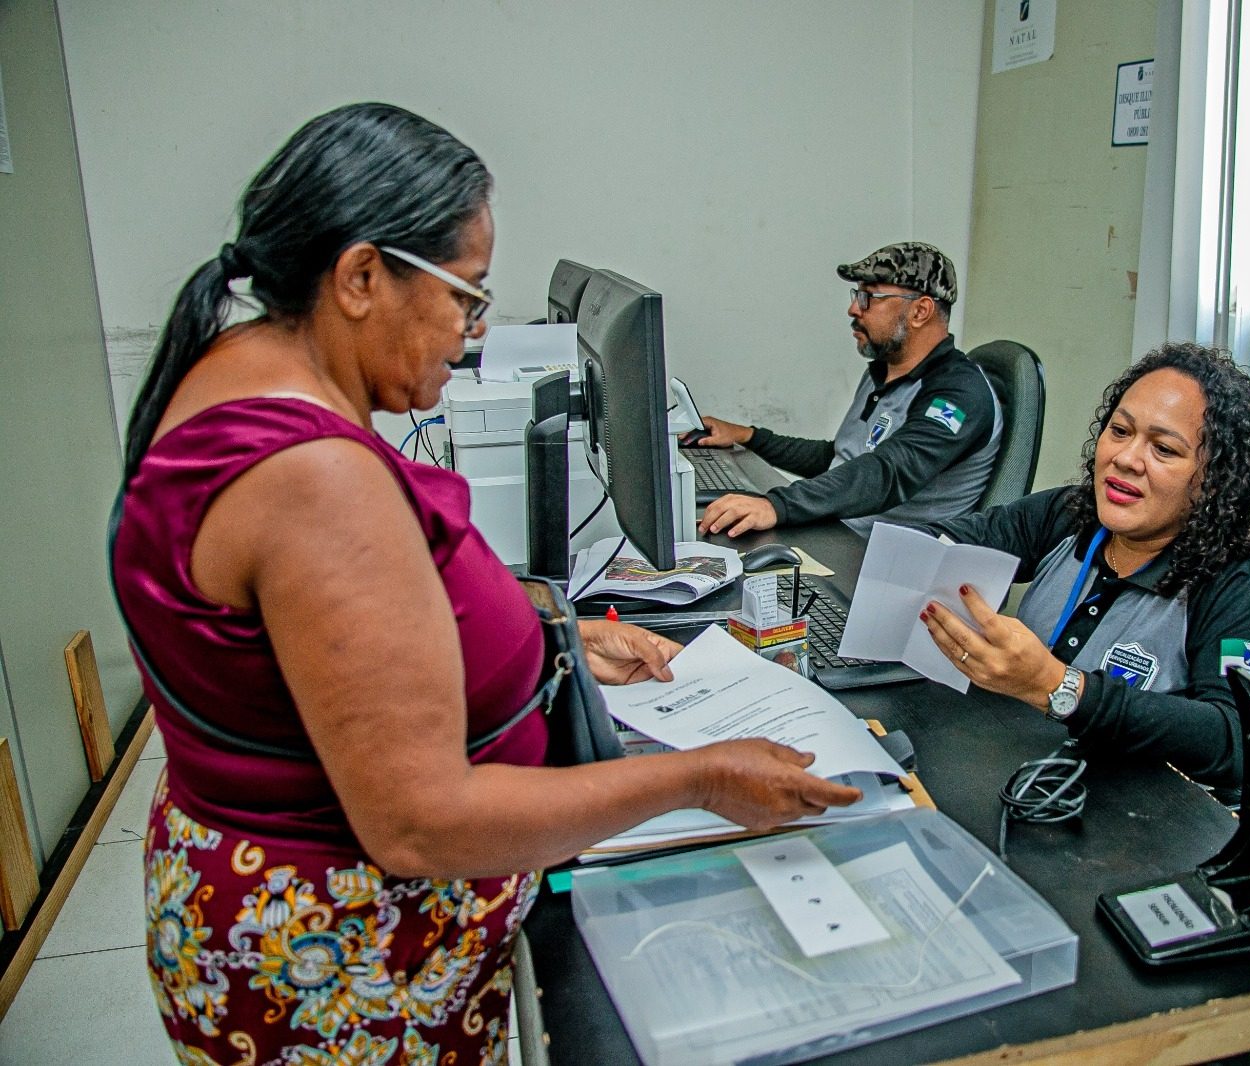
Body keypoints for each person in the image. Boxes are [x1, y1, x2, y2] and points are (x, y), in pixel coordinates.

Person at [113, 103, 860, 1065]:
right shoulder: (315, 477)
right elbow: (420, 825)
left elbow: (310, 653)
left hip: (256, 898)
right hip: (339, 959)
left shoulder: (232, 372)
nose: (470, 337)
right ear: (360, 276)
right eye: (465, 299)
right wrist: (700, 778)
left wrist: (547, 639)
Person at [918, 343, 1250, 789]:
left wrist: (1060, 686)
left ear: (1214, 479)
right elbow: (945, 541)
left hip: (1140, 822)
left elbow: (1241, 741)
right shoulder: (1071, 513)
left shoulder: (1238, 578)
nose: (1127, 459)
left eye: (1164, 450)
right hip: (1029, 775)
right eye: (1120, 431)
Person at [694, 241, 1001, 538]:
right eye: (857, 295)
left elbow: (888, 474)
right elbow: (841, 458)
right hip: (842, 538)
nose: (854, 309)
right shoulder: (884, 370)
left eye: (869, 297)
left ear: (920, 311)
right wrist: (748, 436)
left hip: (891, 568)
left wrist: (778, 505)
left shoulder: (960, 395)